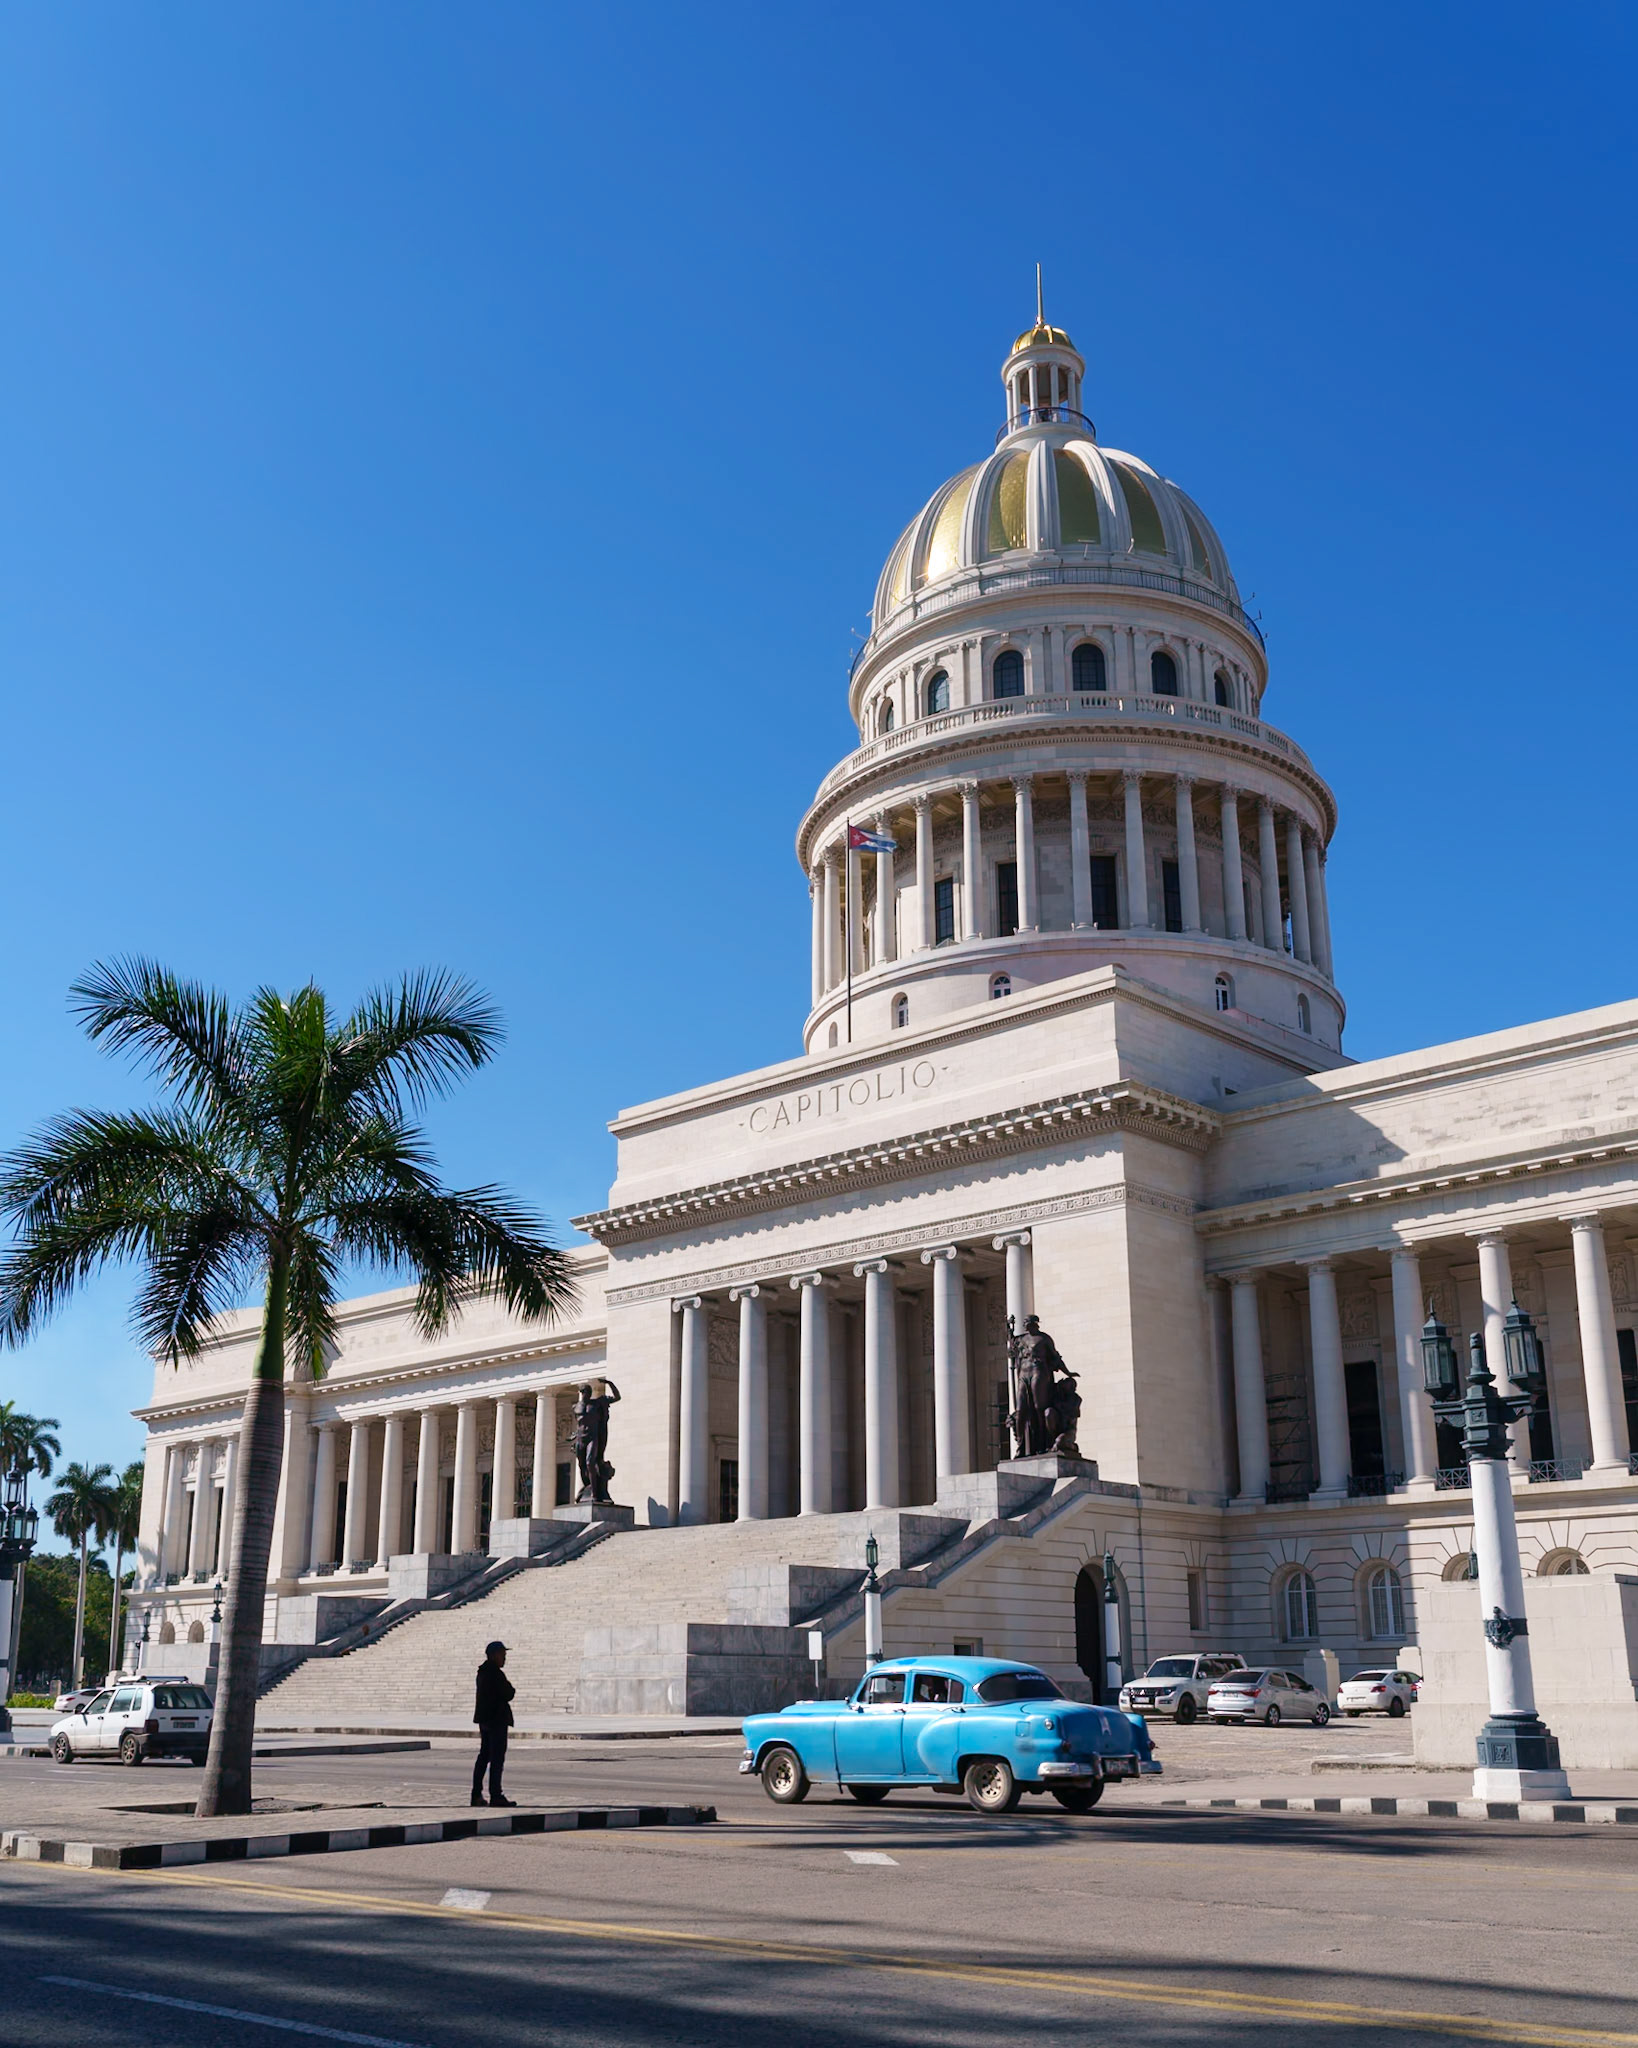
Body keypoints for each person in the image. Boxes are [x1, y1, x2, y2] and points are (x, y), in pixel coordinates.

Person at [472, 1639, 515, 1807]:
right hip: (496, 1720)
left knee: (484, 1757)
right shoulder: (495, 1673)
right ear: (494, 1655)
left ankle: (476, 1794)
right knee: (496, 1759)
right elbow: (509, 1692)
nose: (504, 1658)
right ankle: (496, 1795)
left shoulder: (483, 1672)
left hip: (485, 1720)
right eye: (502, 1655)